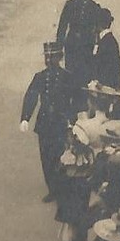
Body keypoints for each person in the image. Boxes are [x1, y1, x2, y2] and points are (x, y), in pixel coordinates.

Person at [21, 41, 81, 203]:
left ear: (59, 57)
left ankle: (63, 188)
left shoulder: (67, 77)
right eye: (47, 57)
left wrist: (73, 118)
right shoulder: (40, 77)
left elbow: (76, 99)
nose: (49, 60)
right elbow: (31, 96)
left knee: (61, 154)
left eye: (52, 57)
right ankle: (53, 189)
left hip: (61, 122)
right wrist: (25, 117)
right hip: (45, 122)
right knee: (46, 157)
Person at [58, 0, 103, 85]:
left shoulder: (94, 7)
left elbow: (98, 30)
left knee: (85, 74)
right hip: (71, 45)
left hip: (86, 45)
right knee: (70, 73)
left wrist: (97, 48)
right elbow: (62, 27)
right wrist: (59, 47)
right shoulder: (70, 4)